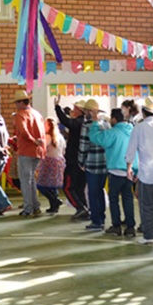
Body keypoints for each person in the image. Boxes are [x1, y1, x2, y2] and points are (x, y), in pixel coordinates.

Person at [125, 96, 153, 245]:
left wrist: (129, 167)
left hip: (146, 174)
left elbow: (131, 150)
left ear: (143, 112)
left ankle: (149, 235)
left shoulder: (139, 128)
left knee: (146, 205)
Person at [89, 108, 136, 237]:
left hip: (115, 171)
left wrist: (95, 122)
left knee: (114, 199)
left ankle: (116, 226)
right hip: (130, 171)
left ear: (114, 119)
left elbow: (95, 137)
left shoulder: (113, 133)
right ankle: (130, 226)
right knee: (128, 199)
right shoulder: (132, 131)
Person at [13, 90, 46, 218]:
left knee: (25, 181)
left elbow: (23, 131)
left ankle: (28, 208)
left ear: (22, 102)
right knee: (31, 180)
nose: (16, 104)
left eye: (17, 102)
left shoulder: (20, 114)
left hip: (26, 150)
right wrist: (38, 143)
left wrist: (32, 141)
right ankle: (35, 206)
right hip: (38, 151)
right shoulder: (37, 113)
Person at [54, 98, 88, 219]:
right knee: (79, 188)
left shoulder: (78, 122)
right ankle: (84, 209)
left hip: (74, 160)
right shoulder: (86, 123)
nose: (72, 110)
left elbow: (65, 121)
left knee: (67, 187)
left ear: (79, 110)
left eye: (74, 108)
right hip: (83, 161)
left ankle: (80, 207)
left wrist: (57, 107)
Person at [78, 99, 109, 231]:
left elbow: (84, 145)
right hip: (105, 163)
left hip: (92, 163)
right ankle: (101, 218)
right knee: (101, 191)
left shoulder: (87, 125)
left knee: (92, 193)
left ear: (90, 112)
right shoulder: (107, 124)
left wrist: (81, 161)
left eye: (85, 110)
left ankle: (96, 221)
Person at [36, 118, 65, 214]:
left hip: (48, 162)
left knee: (41, 184)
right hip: (59, 161)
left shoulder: (47, 137)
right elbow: (64, 149)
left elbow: (43, 149)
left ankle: (55, 200)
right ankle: (54, 206)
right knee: (53, 185)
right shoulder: (60, 137)